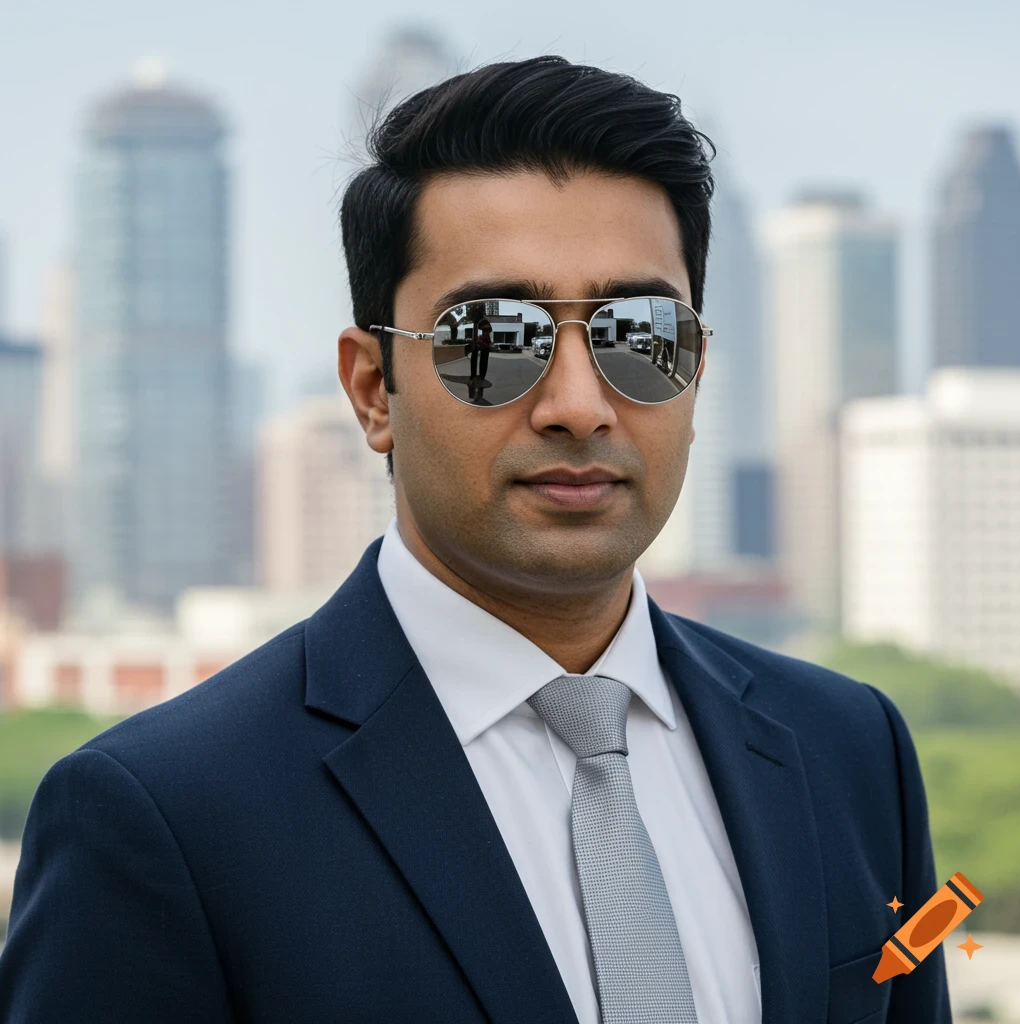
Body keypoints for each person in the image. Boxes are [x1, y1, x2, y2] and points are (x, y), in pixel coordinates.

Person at [0, 56, 950, 1024]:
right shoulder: (168, 813)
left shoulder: (846, 746)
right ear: (373, 387)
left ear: (695, 369)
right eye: (492, 339)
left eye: (638, 334)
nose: (579, 405)